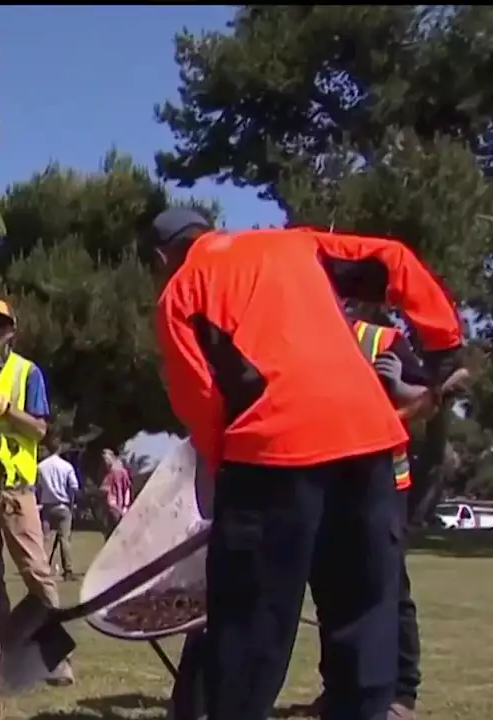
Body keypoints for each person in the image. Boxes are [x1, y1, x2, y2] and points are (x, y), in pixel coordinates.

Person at [142, 208, 464, 720]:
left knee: (251, 624)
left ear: (162, 257)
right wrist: (444, 341)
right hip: (370, 447)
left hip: (272, 458)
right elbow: (392, 259)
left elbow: (199, 398)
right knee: (364, 613)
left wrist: (227, 474)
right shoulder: (293, 245)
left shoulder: (181, 291)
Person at [303, 303, 439, 720]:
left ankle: (401, 693)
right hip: (325, 483)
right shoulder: (299, 341)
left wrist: (397, 393)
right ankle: (340, 689)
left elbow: (430, 400)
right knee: (330, 591)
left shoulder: (380, 340)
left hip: (382, 486)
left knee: (388, 588)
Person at [0, 298, 73, 683]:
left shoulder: (26, 373)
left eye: (1, 325)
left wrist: (1, 407)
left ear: (11, 331)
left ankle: (56, 657)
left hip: (16, 488)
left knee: (38, 575)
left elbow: (38, 430)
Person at [36, 441, 80, 581]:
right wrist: (71, 502)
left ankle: (43, 569)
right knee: (64, 540)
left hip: (47, 506)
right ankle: (68, 570)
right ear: (60, 448)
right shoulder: (66, 466)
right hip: (63, 505)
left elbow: (36, 487)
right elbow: (74, 487)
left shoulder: (40, 467)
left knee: (46, 539)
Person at [99, 448, 132, 535]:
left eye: (105, 460)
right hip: (113, 508)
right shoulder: (110, 472)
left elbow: (126, 489)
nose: (104, 463)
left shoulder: (117, 472)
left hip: (115, 508)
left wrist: (125, 506)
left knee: (113, 533)